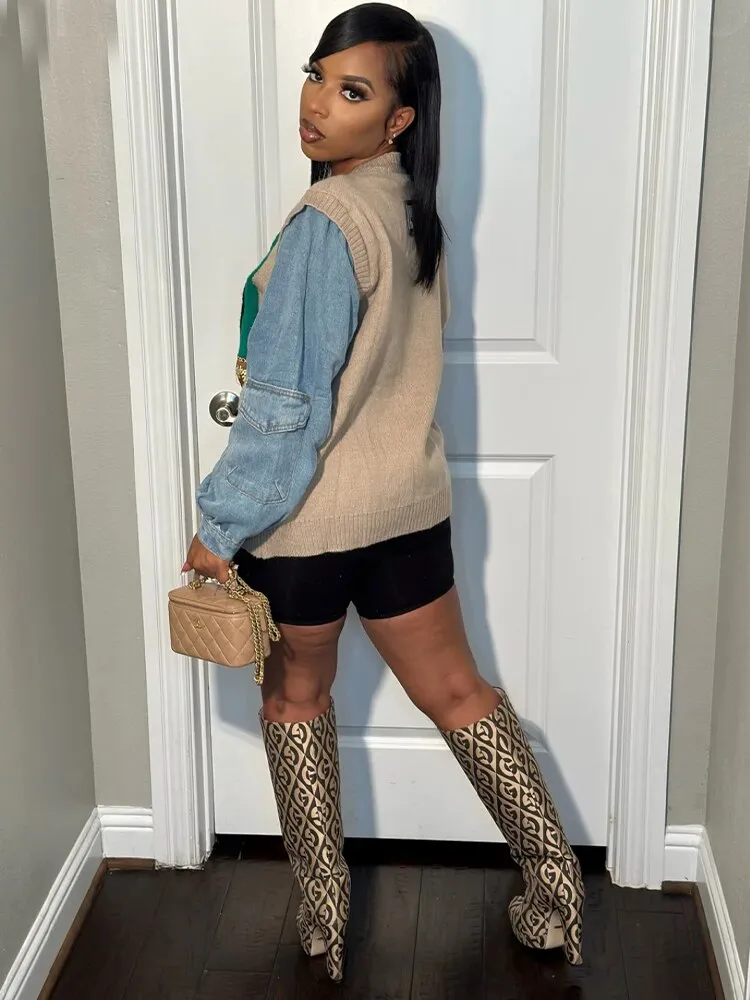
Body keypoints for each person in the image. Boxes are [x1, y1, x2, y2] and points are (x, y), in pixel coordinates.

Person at [182, 2, 584, 983]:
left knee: (296, 700)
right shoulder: (410, 206)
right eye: (317, 78)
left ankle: (324, 922)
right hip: (408, 513)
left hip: (307, 525)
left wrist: (219, 526)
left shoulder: (327, 223)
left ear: (398, 118)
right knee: (461, 693)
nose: (319, 104)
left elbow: (284, 407)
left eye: (352, 90)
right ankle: (557, 892)